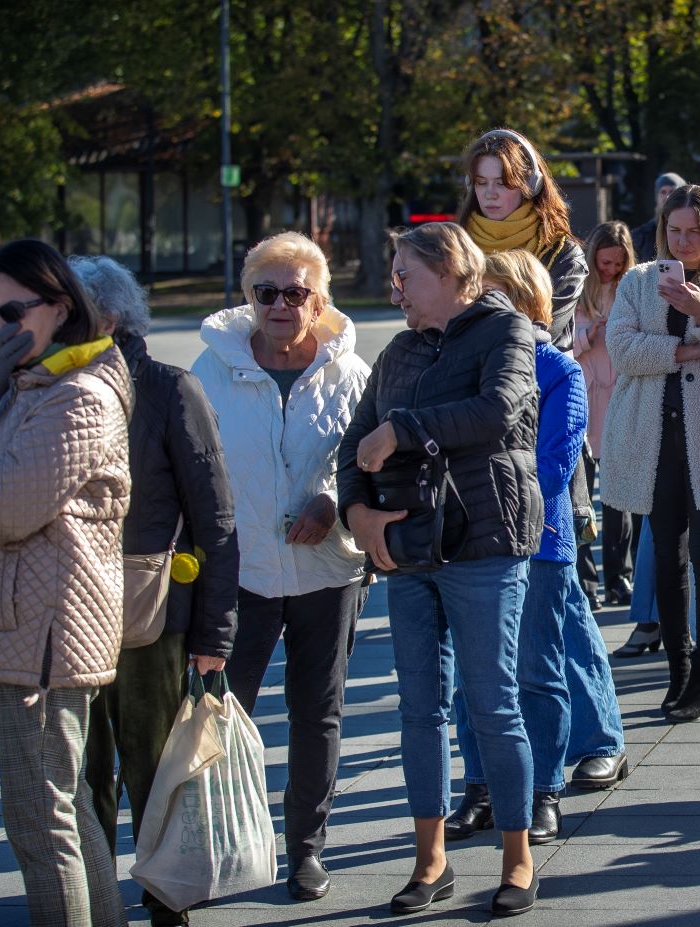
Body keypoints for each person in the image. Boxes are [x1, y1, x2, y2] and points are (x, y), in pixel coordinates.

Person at [338, 222, 543, 916]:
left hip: (485, 543)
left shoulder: (506, 331)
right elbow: (350, 445)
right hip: (407, 548)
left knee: (493, 703)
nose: (394, 288)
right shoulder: (397, 351)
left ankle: (518, 860)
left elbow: (496, 410)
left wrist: (403, 428)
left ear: (454, 272)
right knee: (419, 709)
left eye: (406, 276)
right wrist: (358, 516)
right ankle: (431, 859)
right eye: (393, 275)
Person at [192, 231, 369, 902]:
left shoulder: (350, 373)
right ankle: (224, 843)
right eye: (266, 292)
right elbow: (196, 470)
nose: (281, 305)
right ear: (249, 298)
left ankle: (306, 850)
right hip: (240, 572)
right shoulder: (212, 371)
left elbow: (363, 466)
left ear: (318, 300)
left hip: (326, 568)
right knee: (224, 710)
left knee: (316, 711)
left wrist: (331, 499)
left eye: (296, 293)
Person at [73, 256, 239, 927]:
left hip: (153, 613)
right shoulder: (54, 388)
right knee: (82, 775)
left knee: (153, 766)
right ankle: (86, 897)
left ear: (107, 319)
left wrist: (212, 639)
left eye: (66, 311)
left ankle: (167, 897)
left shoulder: (169, 388)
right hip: (72, 610)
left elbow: (217, 519)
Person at [450, 250, 627, 849]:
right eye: (478, 295)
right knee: (471, 678)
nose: (483, 306)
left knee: (536, 668)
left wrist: (481, 498)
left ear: (527, 302)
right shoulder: (464, 362)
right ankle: (479, 787)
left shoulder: (557, 369)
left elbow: (551, 466)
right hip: (470, 542)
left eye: (495, 294)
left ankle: (544, 791)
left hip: (537, 541)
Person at [0, 240, 132, 927]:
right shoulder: (36, 383)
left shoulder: (80, 393)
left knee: (42, 825)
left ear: (60, 307)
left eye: (10, 311)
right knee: (61, 812)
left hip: (44, 633)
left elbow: (3, 508)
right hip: (28, 625)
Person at [601, 184, 700, 723]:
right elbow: (622, 350)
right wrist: (687, 349)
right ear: (661, 230)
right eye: (675, 231)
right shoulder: (638, 281)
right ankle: (677, 669)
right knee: (664, 552)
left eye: (695, 230)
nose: (685, 240)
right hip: (653, 435)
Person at [459, 128, 587, 350]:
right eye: (481, 182)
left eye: (502, 183)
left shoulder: (563, 253)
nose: (490, 193)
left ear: (530, 185)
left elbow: (544, 329)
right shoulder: (455, 247)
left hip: (538, 379)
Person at [574, 222, 639, 606]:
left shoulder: (630, 289)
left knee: (619, 498)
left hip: (621, 400)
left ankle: (621, 575)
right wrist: (589, 335)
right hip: (584, 400)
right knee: (581, 497)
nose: (610, 270)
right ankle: (586, 580)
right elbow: (559, 340)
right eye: (604, 263)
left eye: (617, 263)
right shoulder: (576, 289)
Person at [631, 171, 687, 263]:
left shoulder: (692, 232)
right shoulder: (640, 236)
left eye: (672, 191)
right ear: (656, 197)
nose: (667, 197)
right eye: (663, 192)